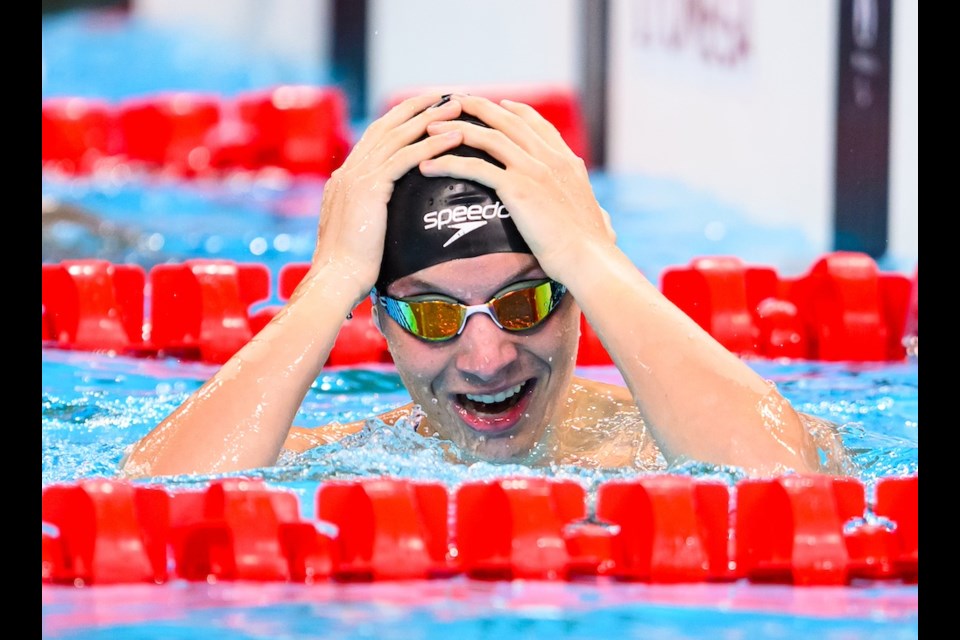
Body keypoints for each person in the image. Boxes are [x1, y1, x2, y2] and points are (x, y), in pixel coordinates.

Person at [121, 93, 847, 478]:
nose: (488, 358)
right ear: (378, 320)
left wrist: (595, 259)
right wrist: (332, 278)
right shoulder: (349, 459)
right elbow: (153, 500)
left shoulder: (654, 446)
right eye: (435, 315)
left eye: (525, 301)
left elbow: (789, 488)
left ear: (575, 300)